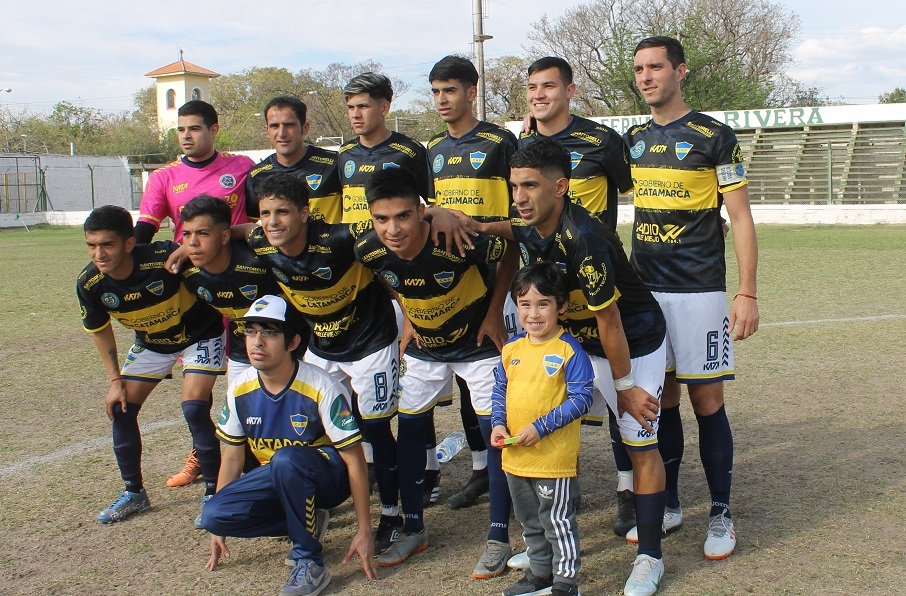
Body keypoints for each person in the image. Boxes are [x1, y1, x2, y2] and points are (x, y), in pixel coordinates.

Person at [460, 139, 670, 595]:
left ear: (560, 187)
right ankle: (549, 552)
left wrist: (626, 386)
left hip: (631, 342)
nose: (520, 197)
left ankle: (650, 556)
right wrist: (471, 223)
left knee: (639, 442)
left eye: (530, 186)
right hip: (579, 343)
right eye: (514, 186)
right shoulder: (530, 218)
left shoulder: (585, 237)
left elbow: (610, 319)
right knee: (545, 427)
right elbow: (513, 228)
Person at [623, 35, 760, 560]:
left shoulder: (715, 136)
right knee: (662, 400)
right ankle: (671, 502)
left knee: (707, 401)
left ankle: (721, 512)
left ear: (680, 72)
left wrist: (746, 291)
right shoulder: (633, 140)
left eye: (655, 67)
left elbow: (740, 217)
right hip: (646, 292)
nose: (646, 77)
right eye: (639, 69)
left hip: (699, 291)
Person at [355, 167, 517, 576]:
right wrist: (409, 312)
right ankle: (414, 529)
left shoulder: (454, 237)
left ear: (420, 210)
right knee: (409, 430)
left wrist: (495, 310)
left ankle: (498, 537)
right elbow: (388, 278)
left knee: (495, 434)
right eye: (381, 219)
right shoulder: (367, 248)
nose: (392, 229)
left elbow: (511, 250)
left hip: (477, 346)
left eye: (403, 216)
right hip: (426, 350)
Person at [235, 173, 405, 557]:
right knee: (314, 429)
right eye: (265, 213)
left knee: (376, 428)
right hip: (323, 347)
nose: (272, 221)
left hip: (371, 342)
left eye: (282, 212)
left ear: (305, 213)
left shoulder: (340, 238)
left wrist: (435, 214)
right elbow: (239, 232)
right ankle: (315, 504)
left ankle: (392, 516)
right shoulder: (262, 240)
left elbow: (392, 237)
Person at [520, 56, 639, 537]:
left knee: (613, 393)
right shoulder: (522, 145)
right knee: (549, 392)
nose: (539, 95)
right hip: (547, 295)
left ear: (570, 91)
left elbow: (633, 191)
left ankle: (627, 489)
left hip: (594, 283)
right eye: (532, 87)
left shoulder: (602, 141)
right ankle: (557, 489)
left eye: (549, 86)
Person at [201, 295, 377, 596]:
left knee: (286, 459)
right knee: (213, 514)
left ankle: (310, 563)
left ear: (293, 342)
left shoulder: (321, 385)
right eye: (251, 331)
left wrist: (364, 529)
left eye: (270, 332)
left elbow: (355, 460)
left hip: (328, 477)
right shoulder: (239, 387)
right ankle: (308, 519)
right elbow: (232, 458)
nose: (257, 342)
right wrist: (219, 528)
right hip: (280, 475)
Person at [77, 205, 225, 526]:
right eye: (92, 245)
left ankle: (215, 493)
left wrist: (185, 248)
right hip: (152, 343)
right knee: (121, 408)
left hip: (200, 335)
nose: (99, 254)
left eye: (108, 245)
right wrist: (115, 381)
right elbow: (100, 331)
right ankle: (134, 493)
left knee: (194, 407)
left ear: (129, 243)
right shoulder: (90, 284)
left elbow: (208, 263)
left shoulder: (162, 258)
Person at [135, 99, 254, 489]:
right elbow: (144, 232)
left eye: (195, 128)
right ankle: (202, 454)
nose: (186, 136)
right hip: (193, 292)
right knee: (198, 389)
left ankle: (253, 452)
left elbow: (262, 219)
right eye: (181, 129)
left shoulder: (242, 168)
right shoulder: (164, 177)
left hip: (241, 287)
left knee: (247, 375)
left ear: (213, 130)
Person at [338, 71, 442, 506]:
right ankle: (373, 466)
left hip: (403, 278)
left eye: (364, 105)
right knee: (365, 387)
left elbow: (430, 206)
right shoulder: (343, 156)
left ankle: (429, 467)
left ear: (385, 106)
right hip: (363, 281)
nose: (356, 114)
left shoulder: (410, 151)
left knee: (414, 377)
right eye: (350, 107)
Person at [426, 55, 519, 512]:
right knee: (468, 381)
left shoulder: (500, 142)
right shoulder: (432, 149)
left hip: (501, 281)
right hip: (454, 285)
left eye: (450, 90)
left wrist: (498, 303)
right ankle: (482, 469)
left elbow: (519, 221)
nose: (442, 100)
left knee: (510, 381)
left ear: (471, 91)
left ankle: (529, 472)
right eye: (436, 92)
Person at [490, 262, 594, 596]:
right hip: (515, 458)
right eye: (525, 304)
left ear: (561, 306)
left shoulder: (569, 350)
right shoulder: (511, 350)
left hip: (553, 460)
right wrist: (498, 423)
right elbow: (499, 391)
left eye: (543, 304)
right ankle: (539, 573)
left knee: (557, 522)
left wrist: (541, 427)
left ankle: (565, 582)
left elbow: (582, 398)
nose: (533, 314)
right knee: (530, 521)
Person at [246, 96, 343, 223]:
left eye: (289, 125)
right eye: (274, 126)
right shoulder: (257, 175)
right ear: (267, 130)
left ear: (305, 128)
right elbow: (255, 226)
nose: (282, 133)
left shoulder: (334, 164)